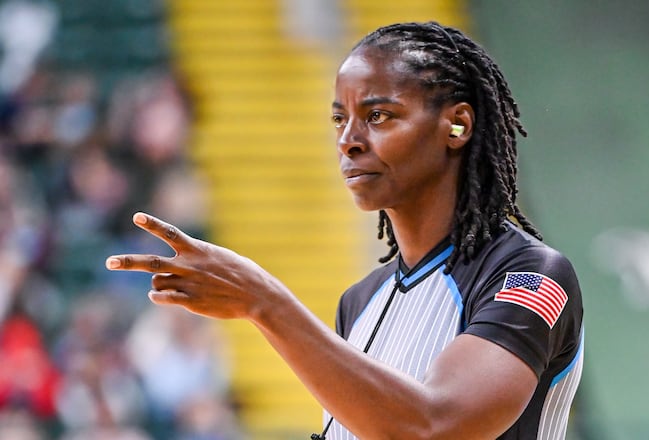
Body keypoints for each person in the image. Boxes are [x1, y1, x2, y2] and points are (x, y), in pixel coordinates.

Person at [105, 21, 584, 440]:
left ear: (456, 125)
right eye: (340, 119)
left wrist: (265, 301)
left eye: (378, 116)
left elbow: (436, 426)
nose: (348, 141)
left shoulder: (531, 276)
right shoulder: (358, 303)